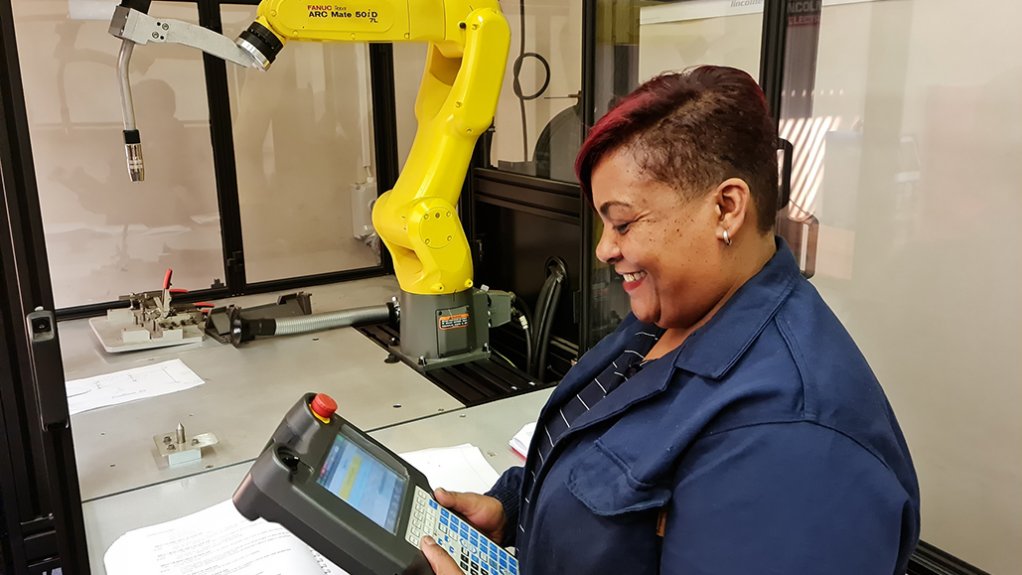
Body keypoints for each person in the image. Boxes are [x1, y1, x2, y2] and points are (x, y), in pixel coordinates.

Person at [419, 65, 920, 574]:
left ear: (726, 208)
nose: (604, 249)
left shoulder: (797, 443)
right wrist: (513, 508)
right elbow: (608, 480)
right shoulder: (668, 318)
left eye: (624, 223)